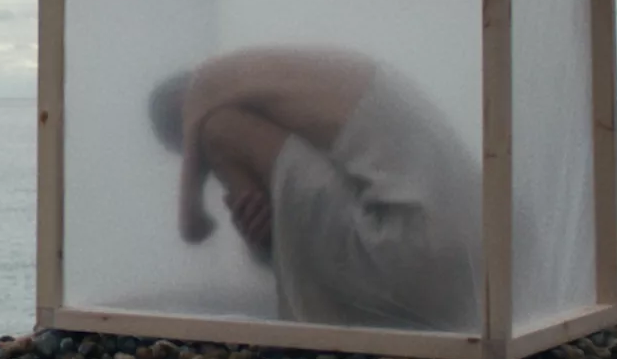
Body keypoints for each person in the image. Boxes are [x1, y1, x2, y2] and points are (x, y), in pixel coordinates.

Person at [147, 45, 483, 333]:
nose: (207, 165)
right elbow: (309, 220)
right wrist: (263, 236)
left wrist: (202, 150)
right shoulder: (298, 94)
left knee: (218, 131)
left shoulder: (208, 87)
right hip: (472, 264)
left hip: (410, 250)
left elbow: (191, 227)